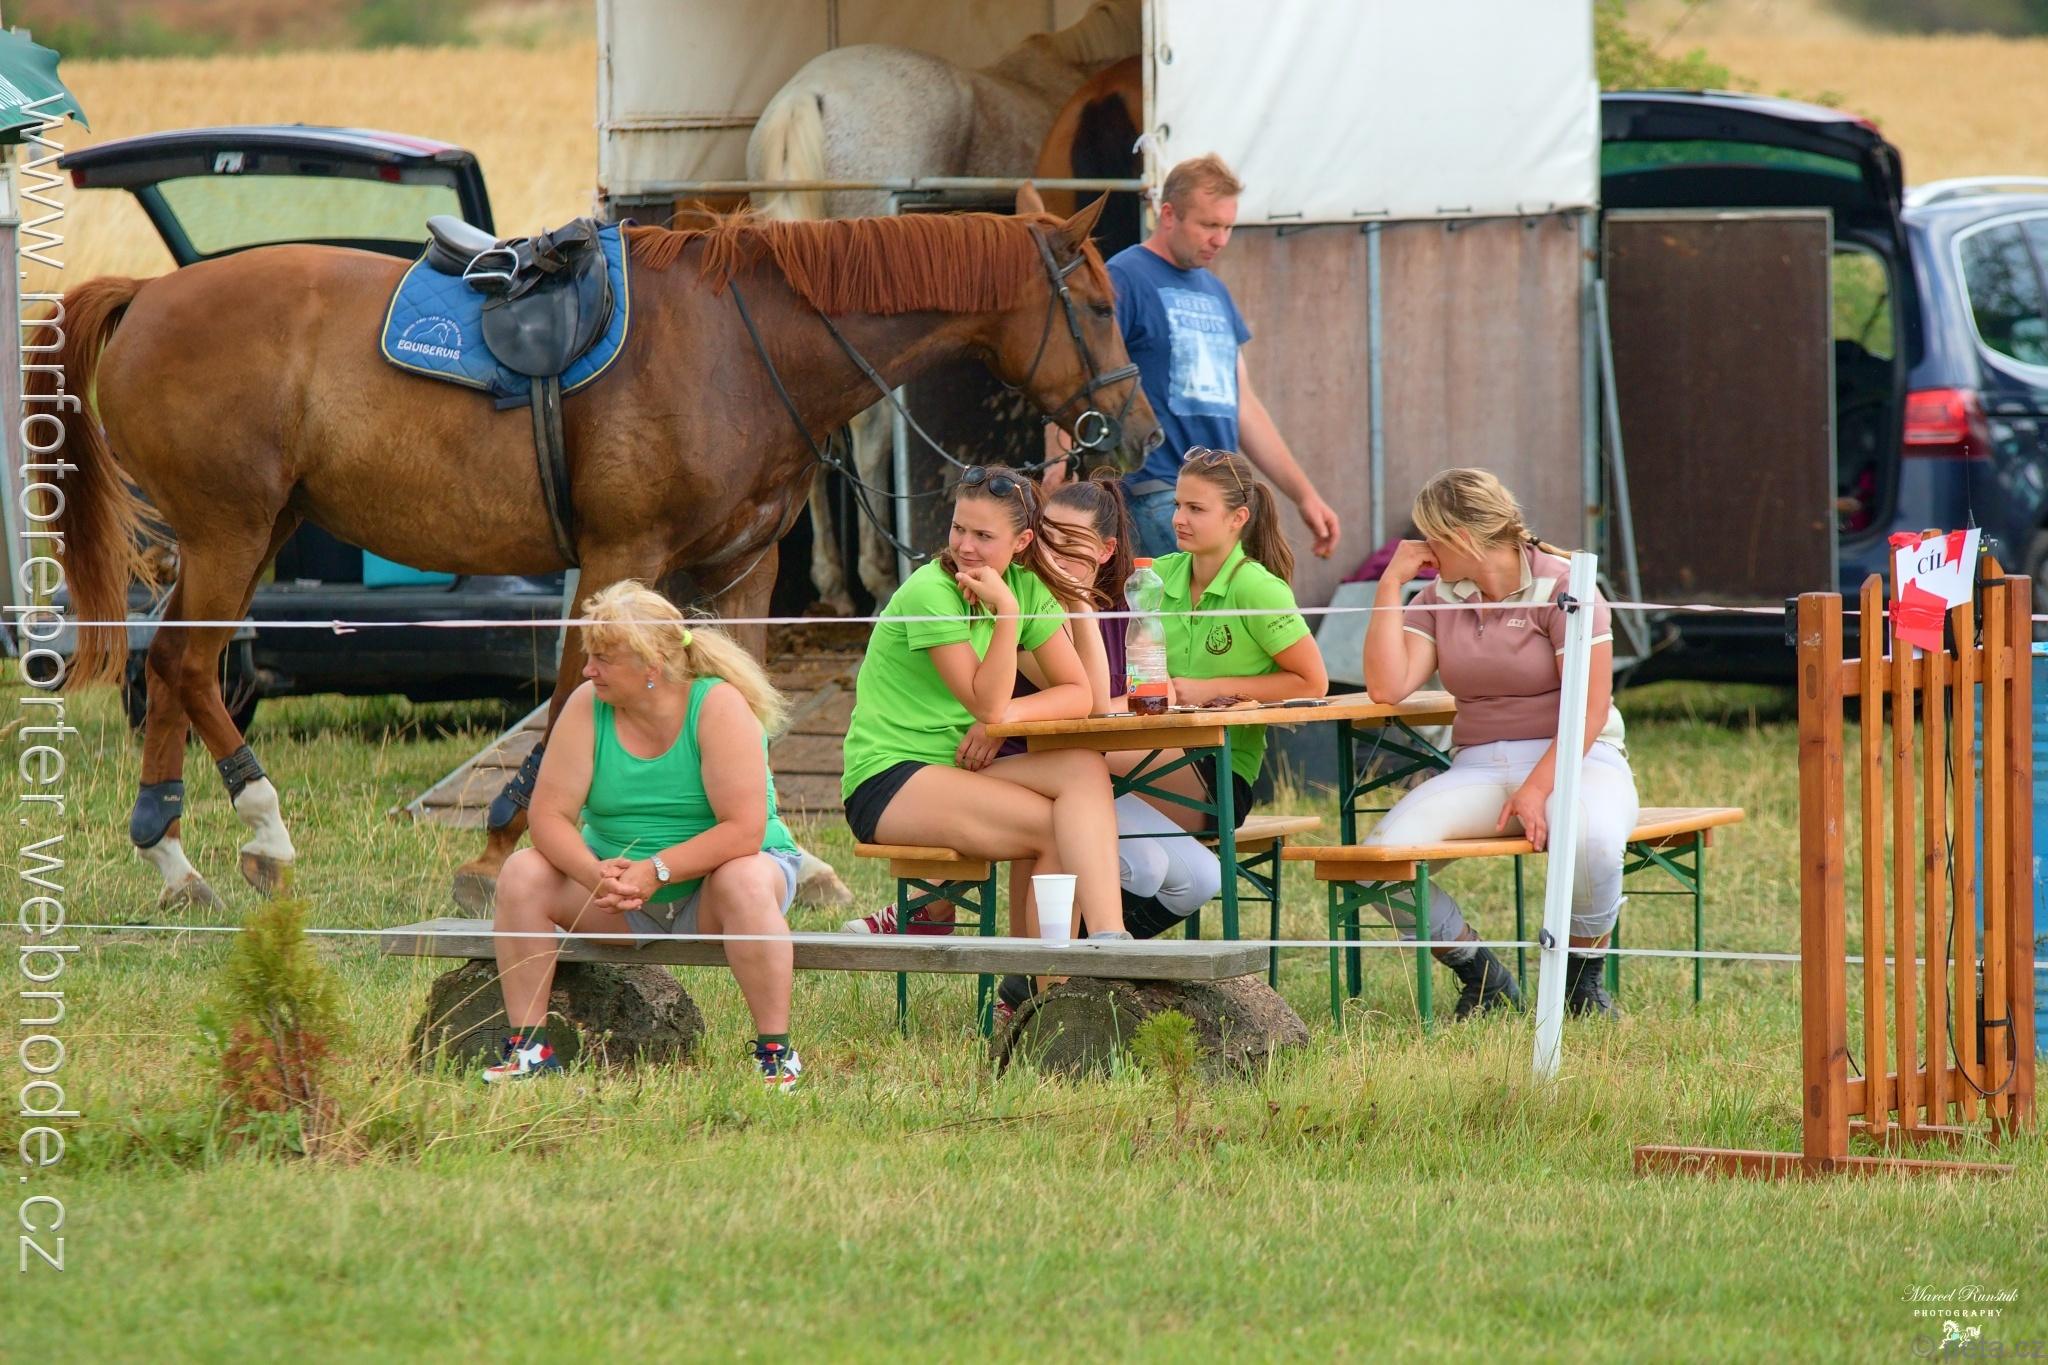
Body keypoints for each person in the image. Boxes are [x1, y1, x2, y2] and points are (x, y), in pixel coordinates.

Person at [485, 582, 807, 1088]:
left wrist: (658, 871)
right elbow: (547, 817)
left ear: (651, 666)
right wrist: (593, 874)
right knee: (522, 871)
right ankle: (530, 1050)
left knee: (744, 879)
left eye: (603, 659)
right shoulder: (586, 706)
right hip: (618, 895)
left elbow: (743, 831)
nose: (588, 671)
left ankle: (776, 1056)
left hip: (716, 892)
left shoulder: (718, 705)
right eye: (589, 656)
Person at [1361, 468, 1638, 1020]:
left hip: (1580, 756)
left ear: (1461, 537)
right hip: (1479, 766)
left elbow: (1589, 710)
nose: (1421, 547)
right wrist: (1390, 584)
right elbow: (1386, 687)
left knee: (1594, 843)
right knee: (1376, 869)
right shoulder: (1436, 596)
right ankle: (1482, 974)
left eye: (1429, 535)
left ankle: (1581, 982)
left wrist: (1536, 789)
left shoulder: (1566, 586)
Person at [839, 464, 1129, 942]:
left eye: (983, 536)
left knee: (1083, 767)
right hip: (890, 776)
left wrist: (1009, 716)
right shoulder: (931, 592)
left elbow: (1079, 694)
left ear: (1022, 542)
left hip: (957, 766)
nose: (965, 546)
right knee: (1057, 828)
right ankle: (1043, 977)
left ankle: (1108, 938)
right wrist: (1008, 614)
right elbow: (988, 705)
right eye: (959, 528)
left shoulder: (1024, 584)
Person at [987, 472, 1226, 1018]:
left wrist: (1088, 612)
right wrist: (1076, 604)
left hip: (1093, 773)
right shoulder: (1029, 603)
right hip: (1037, 770)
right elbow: (1093, 703)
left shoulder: (1122, 603)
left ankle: (1087, 978)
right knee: (1144, 868)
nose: (1054, 556)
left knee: (1202, 879)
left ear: (1106, 550)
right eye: (1047, 539)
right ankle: (1043, 982)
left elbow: (1150, 691)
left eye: (1072, 544)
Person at [1051, 154, 1341, 565]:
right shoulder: (1124, 276)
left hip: (1221, 496)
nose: (1220, 239)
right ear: (1168, 215)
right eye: (1209, 225)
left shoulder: (1216, 292)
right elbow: (1078, 373)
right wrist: (1062, 458)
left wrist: (1304, 495)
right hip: (1155, 490)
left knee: (1233, 602)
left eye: (1227, 227)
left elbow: (1244, 406)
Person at [1124, 447, 1328, 836]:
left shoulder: (1257, 587)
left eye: (1196, 509)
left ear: (1238, 518)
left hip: (1219, 773)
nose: (1178, 519)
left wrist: (1210, 690)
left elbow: (1313, 683)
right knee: (1074, 779)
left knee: (1083, 767)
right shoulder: (1154, 577)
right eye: (1177, 505)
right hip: (1147, 746)